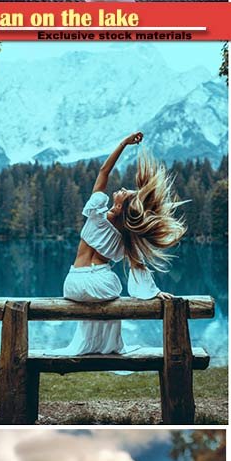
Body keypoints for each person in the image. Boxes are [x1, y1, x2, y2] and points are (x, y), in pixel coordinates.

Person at [63, 132, 186, 355]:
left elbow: (103, 172)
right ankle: (108, 345)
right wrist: (155, 292)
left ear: (121, 207)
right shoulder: (125, 241)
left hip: (72, 285)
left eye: (124, 193)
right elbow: (138, 266)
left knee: (98, 295)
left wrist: (123, 143)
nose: (120, 190)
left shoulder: (96, 216)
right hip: (103, 285)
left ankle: (91, 344)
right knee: (112, 295)